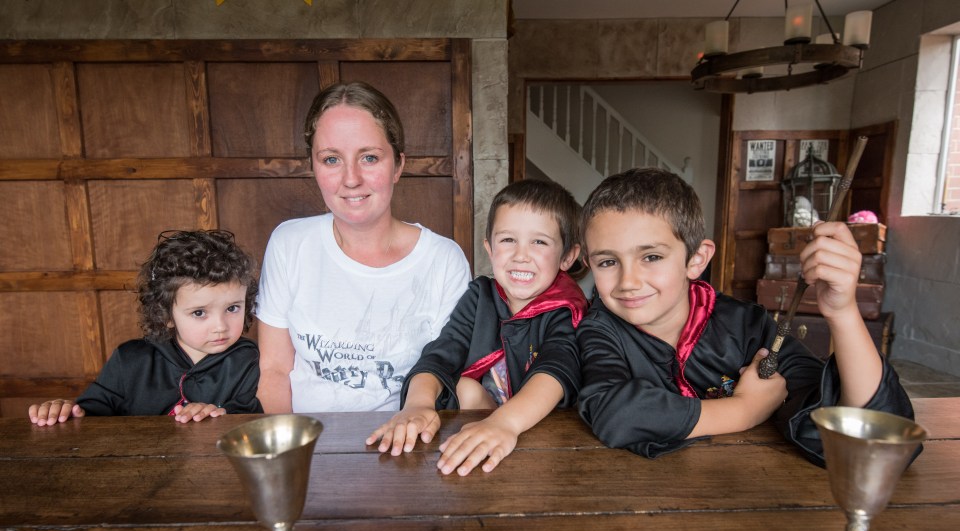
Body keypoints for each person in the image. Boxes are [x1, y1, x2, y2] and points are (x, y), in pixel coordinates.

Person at [576, 167, 914, 466]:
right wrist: (745, 409)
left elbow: (876, 434)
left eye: (651, 256)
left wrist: (842, 312)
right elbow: (616, 412)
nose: (628, 282)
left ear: (696, 259)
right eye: (608, 262)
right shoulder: (599, 329)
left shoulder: (746, 327)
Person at [256, 82, 470, 413]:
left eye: (369, 157)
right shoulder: (289, 244)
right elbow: (274, 371)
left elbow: (446, 371)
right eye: (331, 160)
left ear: (398, 165)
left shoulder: (444, 260)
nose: (351, 178)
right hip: (307, 444)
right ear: (313, 166)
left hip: (406, 446)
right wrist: (284, 454)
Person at [367, 179, 587, 475]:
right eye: (508, 240)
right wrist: (417, 404)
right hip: (483, 428)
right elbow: (444, 350)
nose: (521, 254)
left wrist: (504, 424)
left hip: (542, 438)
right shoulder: (480, 295)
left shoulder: (566, 308)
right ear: (490, 248)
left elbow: (557, 369)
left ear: (567, 257)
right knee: (465, 388)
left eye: (539, 242)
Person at [28, 230, 263, 425]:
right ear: (166, 314)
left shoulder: (250, 360)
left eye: (232, 308)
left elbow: (252, 420)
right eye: (199, 313)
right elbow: (91, 413)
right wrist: (65, 411)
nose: (220, 326)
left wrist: (217, 414)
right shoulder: (130, 359)